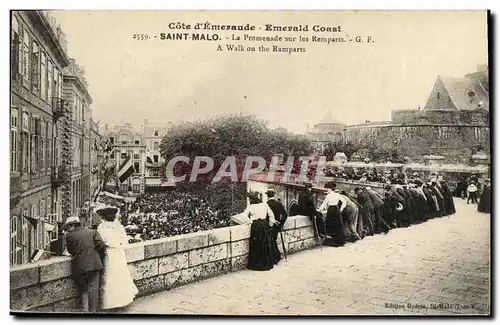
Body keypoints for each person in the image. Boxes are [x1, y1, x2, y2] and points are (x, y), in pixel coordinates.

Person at [96, 206, 139, 311]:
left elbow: (101, 242)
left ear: (104, 217)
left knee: (109, 276)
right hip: (119, 253)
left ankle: (110, 303)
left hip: (109, 254)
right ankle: (123, 300)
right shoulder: (119, 226)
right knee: (120, 275)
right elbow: (124, 242)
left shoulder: (102, 227)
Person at [65, 216, 106, 313]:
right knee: (94, 289)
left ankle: (85, 311)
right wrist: (94, 253)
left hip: (80, 266)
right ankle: (93, 312)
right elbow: (101, 245)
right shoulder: (92, 231)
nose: (67, 229)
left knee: (83, 289)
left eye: (68, 227)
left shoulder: (69, 236)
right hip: (95, 263)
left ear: (72, 225)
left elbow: (71, 251)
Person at [244, 192, 280, 270]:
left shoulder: (250, 206)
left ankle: (256, 263)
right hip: (264, 224)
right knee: (265, 243)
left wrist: (250, 222)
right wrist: (271, 224)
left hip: (256, 225)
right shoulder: (264, 205)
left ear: (251, 199)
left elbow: (244, 216)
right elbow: (271, 215)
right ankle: (266, 262)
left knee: (256, 243)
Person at [318, 182, 348, 247]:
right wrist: (341, 209)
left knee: (331, 225)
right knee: (338, 225)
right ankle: (340, 241)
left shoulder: (328, 196)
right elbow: (344, 202)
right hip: (337, 210)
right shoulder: (337, 194)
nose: (327, 190)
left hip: (331, 210)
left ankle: (333, 242)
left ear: (329, 189)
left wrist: (319, 210)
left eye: (327, 189)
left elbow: (324, 204)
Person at [266, 189, 288, 254]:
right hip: (277, 226)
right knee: (273, 240)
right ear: (274, 195)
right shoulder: (278, 204)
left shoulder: (266, 204)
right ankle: (275, 255)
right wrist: (281, 223)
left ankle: (274, 256)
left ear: (267, 196)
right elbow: (285, 215)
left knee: (271, 241)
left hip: (269, 226)